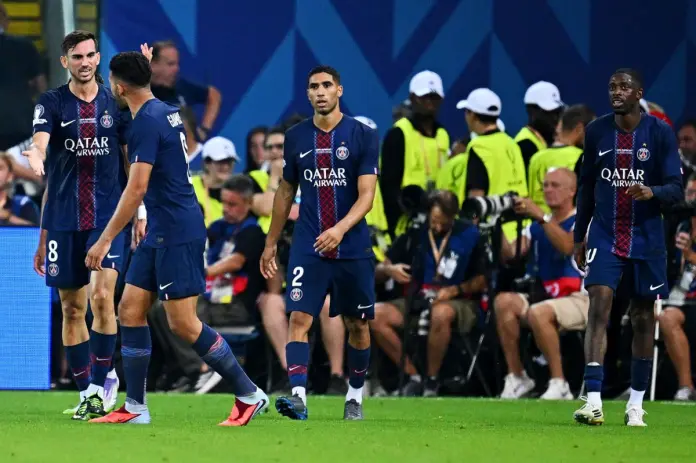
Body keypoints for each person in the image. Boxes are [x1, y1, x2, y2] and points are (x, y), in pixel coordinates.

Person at [86, 51, 267, 426]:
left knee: (183, 323)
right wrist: (143, 66)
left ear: (119, 87)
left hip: (177, 230)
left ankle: (249, 393)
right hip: (160, 228)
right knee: (130, 309)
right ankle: (135, 407)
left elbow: (136, 188)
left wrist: (105, 239)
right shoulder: (164, 110)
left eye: (112, 83)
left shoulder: (146, 123)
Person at [21, 30, 137, 420]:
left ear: (98, 58)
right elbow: (41, 143)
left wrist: (139, 212)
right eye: (76, 57)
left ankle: (101, 385)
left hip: (108, 219)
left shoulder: (115, 103)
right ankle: (89, 391)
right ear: (64, 62)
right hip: (63, 220)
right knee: (72, 309)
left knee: (102, 298)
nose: (84, 62)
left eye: (89, 55)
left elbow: (131, 162)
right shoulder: (51, 102)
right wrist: (36, 154)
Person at [260, 65, 379, 420]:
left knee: (358, 324)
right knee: (299, 317)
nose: (321, 91)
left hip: (352, 246)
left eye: (327, 85)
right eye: (314, 86)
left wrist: (340, 230)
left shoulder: (363, 135)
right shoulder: (296, 137)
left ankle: (354, 396)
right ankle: (298, 397)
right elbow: (285, 191)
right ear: (308, 93)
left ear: (339, 90)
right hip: (309, 244)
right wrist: (270, 242)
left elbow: (367, 196)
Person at [572, 69, 683, 426]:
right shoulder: (596, 131)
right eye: (612, 87)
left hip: (647, 237)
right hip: (605, 234)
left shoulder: (660, 133)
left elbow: (677, 190)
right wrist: (579, 235)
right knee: (599, 305)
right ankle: (593, 400)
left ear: (638, 93)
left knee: (642, 317)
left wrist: (653, 192)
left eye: (624, 87)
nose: (616, 92)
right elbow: (586, 187)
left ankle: (635, 403)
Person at [371, 190, 486, 396]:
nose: (438, 227)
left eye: (443, 222)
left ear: (453, 216)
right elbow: (380, 269)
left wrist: (455, 290)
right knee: (375, 314)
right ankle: (413, 377)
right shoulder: (416, 232)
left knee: (441, 313)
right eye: (434, 221)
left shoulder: (470, 234)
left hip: (460, 301)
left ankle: (432, 381)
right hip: (419, 299)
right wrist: (389, 270)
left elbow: (484, 278)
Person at [494, 168, 587, 400]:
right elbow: (511, 255)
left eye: (555, 185)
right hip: (545, 297)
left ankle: (560, 383)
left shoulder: (585, 219)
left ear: (572, 191)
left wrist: (540, 216)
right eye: (545, 185)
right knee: (504, 301)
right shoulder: (535, 225)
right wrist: (496, 224)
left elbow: (567, 246)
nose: (548, 190)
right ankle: (517, 377)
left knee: (539, 312)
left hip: (581, 298)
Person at [380, 70, 449, 236]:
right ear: (412, 98)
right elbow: (388, 187)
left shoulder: (443, 135)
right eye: (424, 97)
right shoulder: (399, 133)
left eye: (434, 97)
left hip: (440, 221)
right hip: (407, 223)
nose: (430, 102)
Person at [527, 104, 595, 212]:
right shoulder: (580, 157)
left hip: (537, 219)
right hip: (566, 220)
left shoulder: (536, 157)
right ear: (579, 129)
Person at [0, 152, 39, 225]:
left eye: (0, 168)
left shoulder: (23, 204)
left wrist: (8, 217)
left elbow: (35, 230)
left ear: (10, 176)